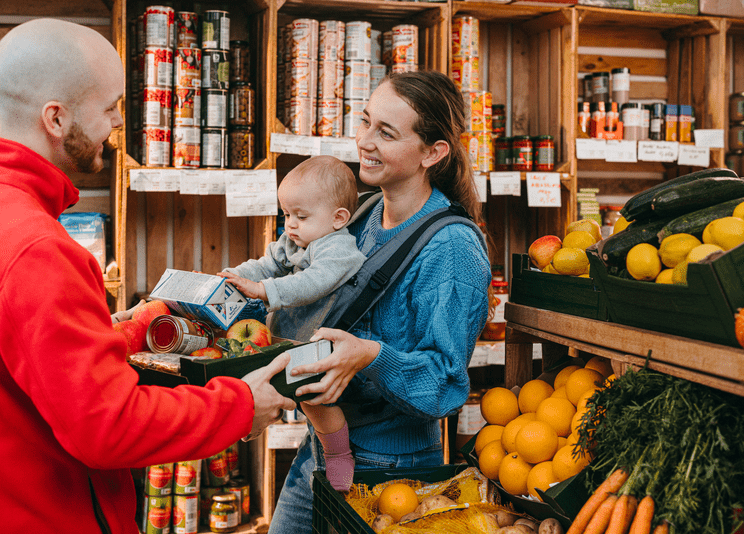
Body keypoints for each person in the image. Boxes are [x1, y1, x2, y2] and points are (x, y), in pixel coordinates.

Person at [0, 19, 296, 534]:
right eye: (110, 106)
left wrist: (122, 330)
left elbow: (29, 365)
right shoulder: (39, 250)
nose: (116, 124)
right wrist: (242, 406)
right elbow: (106, 426)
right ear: (55, 118)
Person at [266, 70, 492, 534]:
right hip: (321, 445)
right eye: (365, 122)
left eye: (385, 133)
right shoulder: (363, 213)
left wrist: (368, 355)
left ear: (433, 153)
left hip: (391, 466)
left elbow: (445, 386)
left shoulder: (451, 249)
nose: (364, 142)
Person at [217, 155, 367, 492]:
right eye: (287, 214)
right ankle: (249, 419)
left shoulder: (339, 249)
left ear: (338, 218)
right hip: (287, 338)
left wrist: (264, 290)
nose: (291, 225)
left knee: (318, 403)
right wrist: (236, 276)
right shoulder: (296, 239)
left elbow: (313, 282)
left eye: (301, 216)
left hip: (318, 343)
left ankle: (339, 454)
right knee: (259, 380)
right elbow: (266, 264)